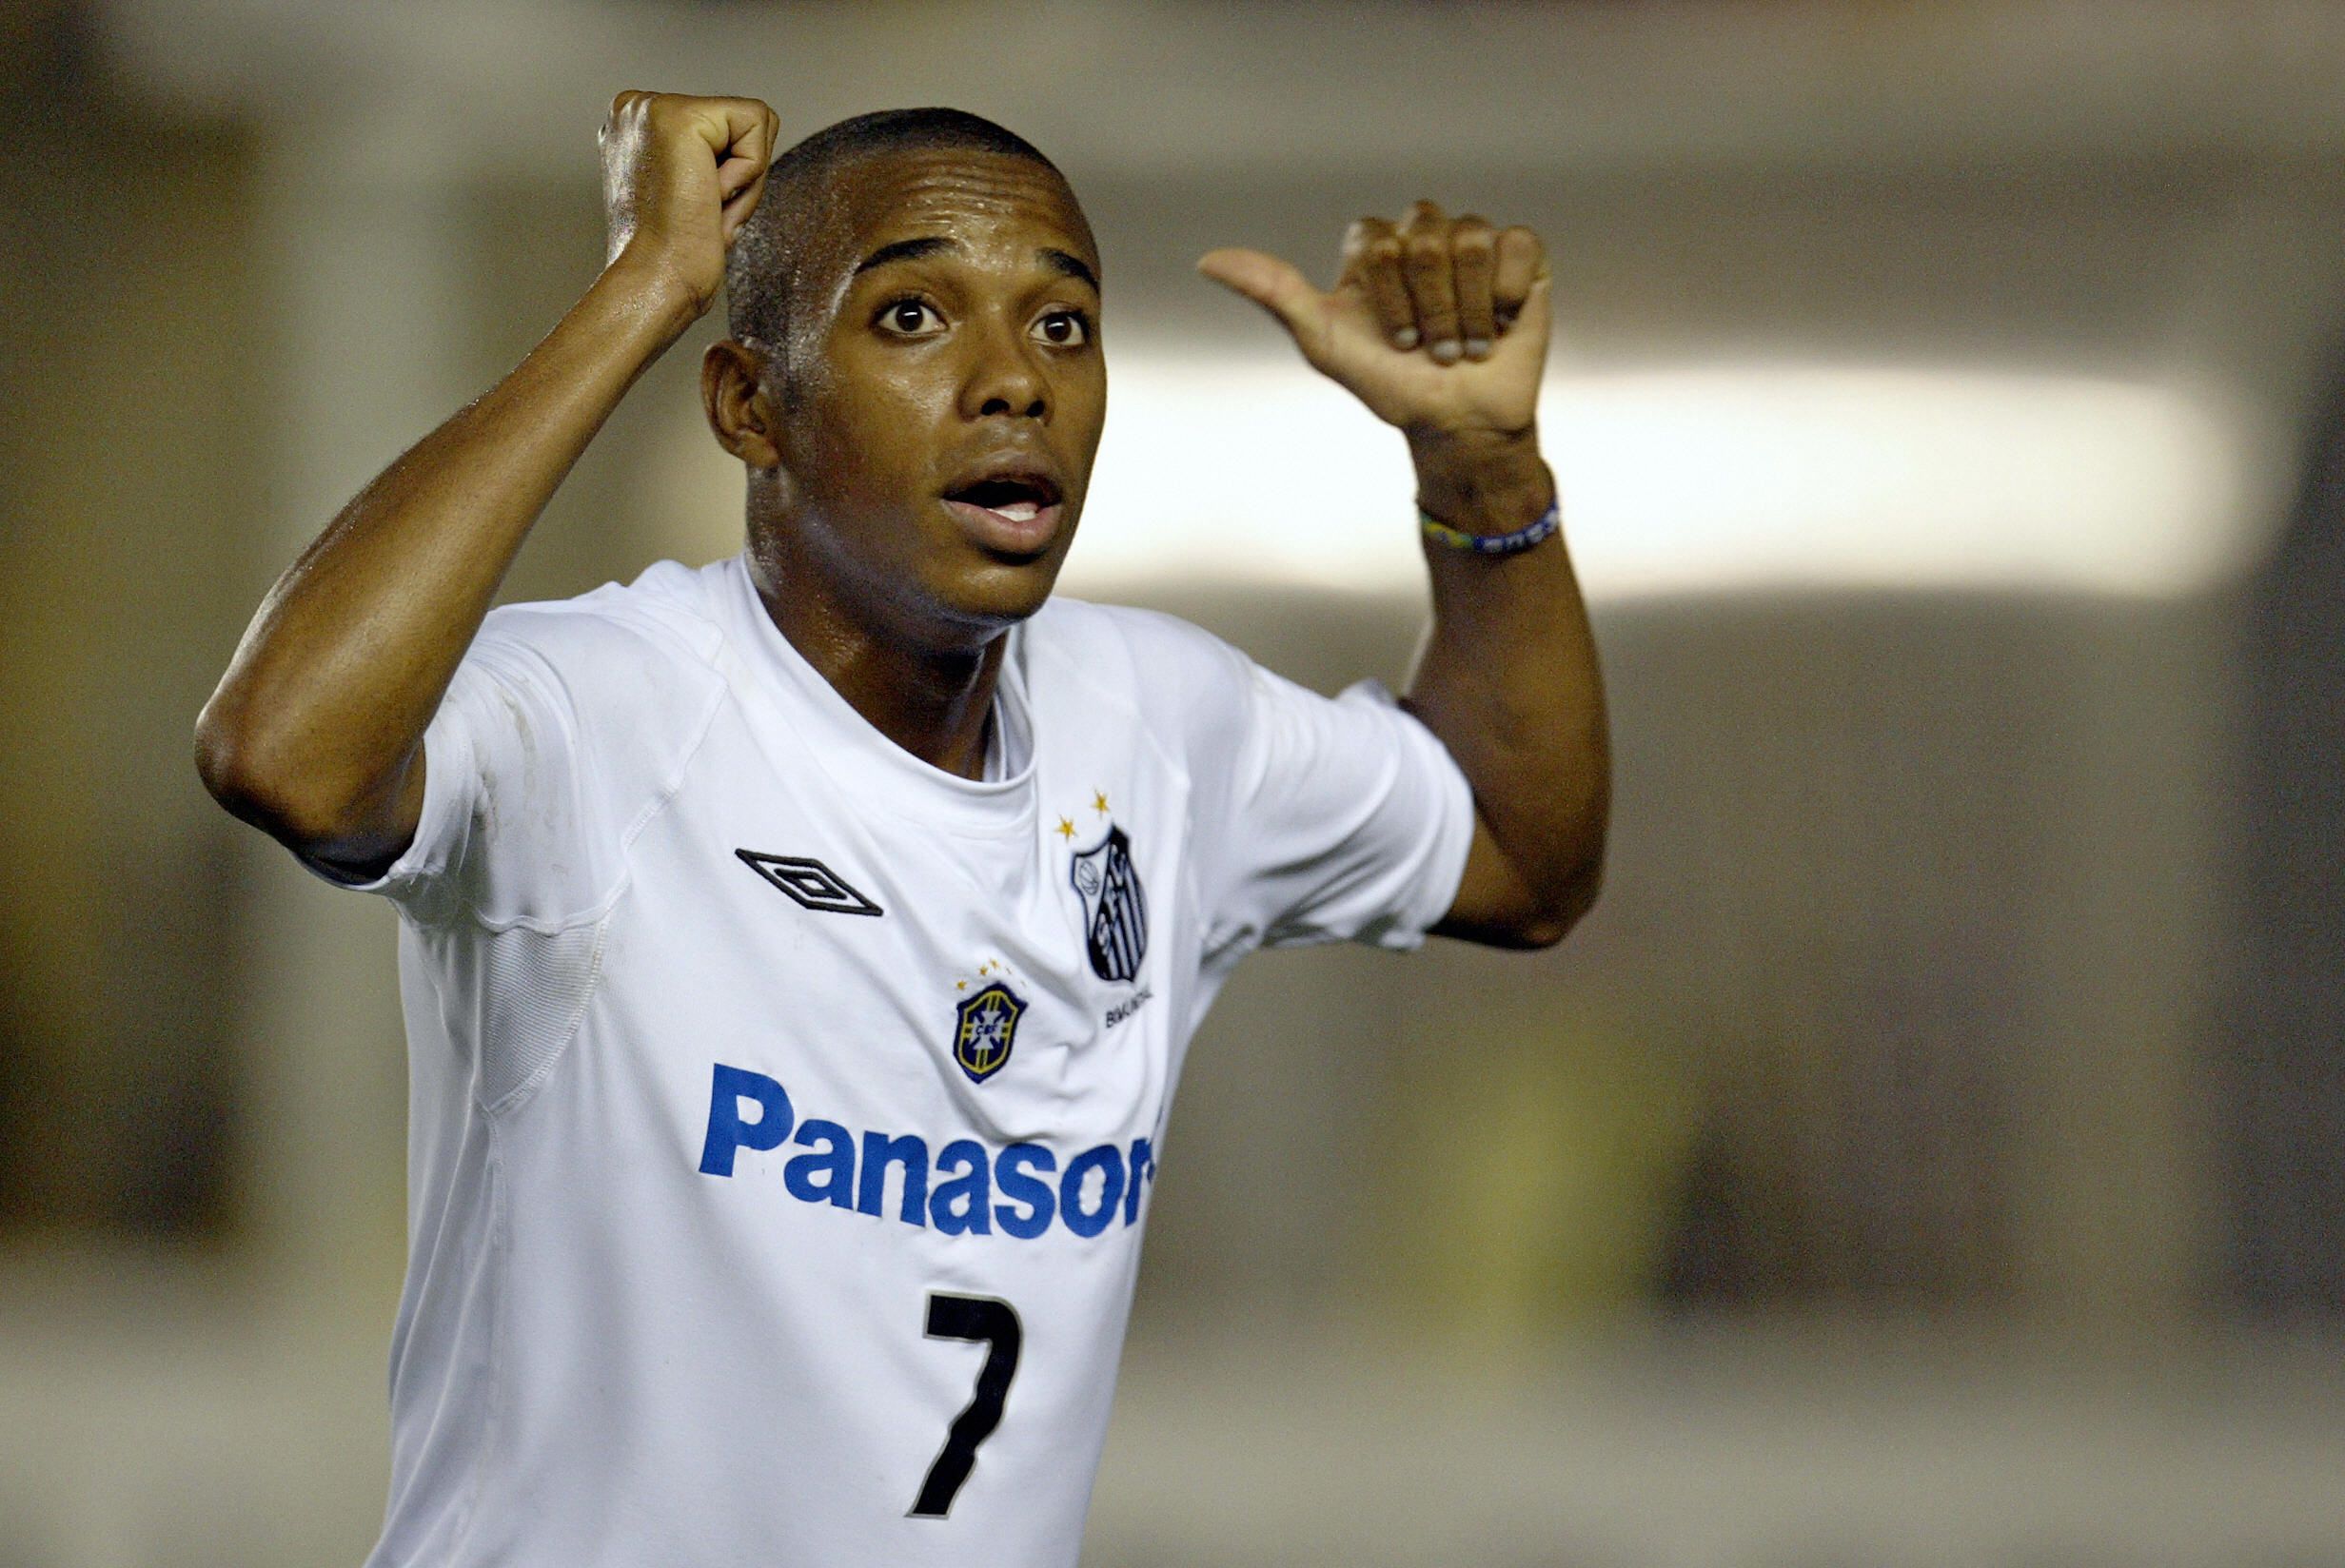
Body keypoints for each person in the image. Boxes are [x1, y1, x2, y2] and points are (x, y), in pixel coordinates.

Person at [195, 91, 1608, 1568]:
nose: (1014, 381)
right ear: (752, 406)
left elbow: (1520, 854)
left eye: (1063, 325)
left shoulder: (1162, 729)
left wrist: (1483, 470)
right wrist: (645, 291)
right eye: (917, 317)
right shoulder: (617, 715)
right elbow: (283, 752)